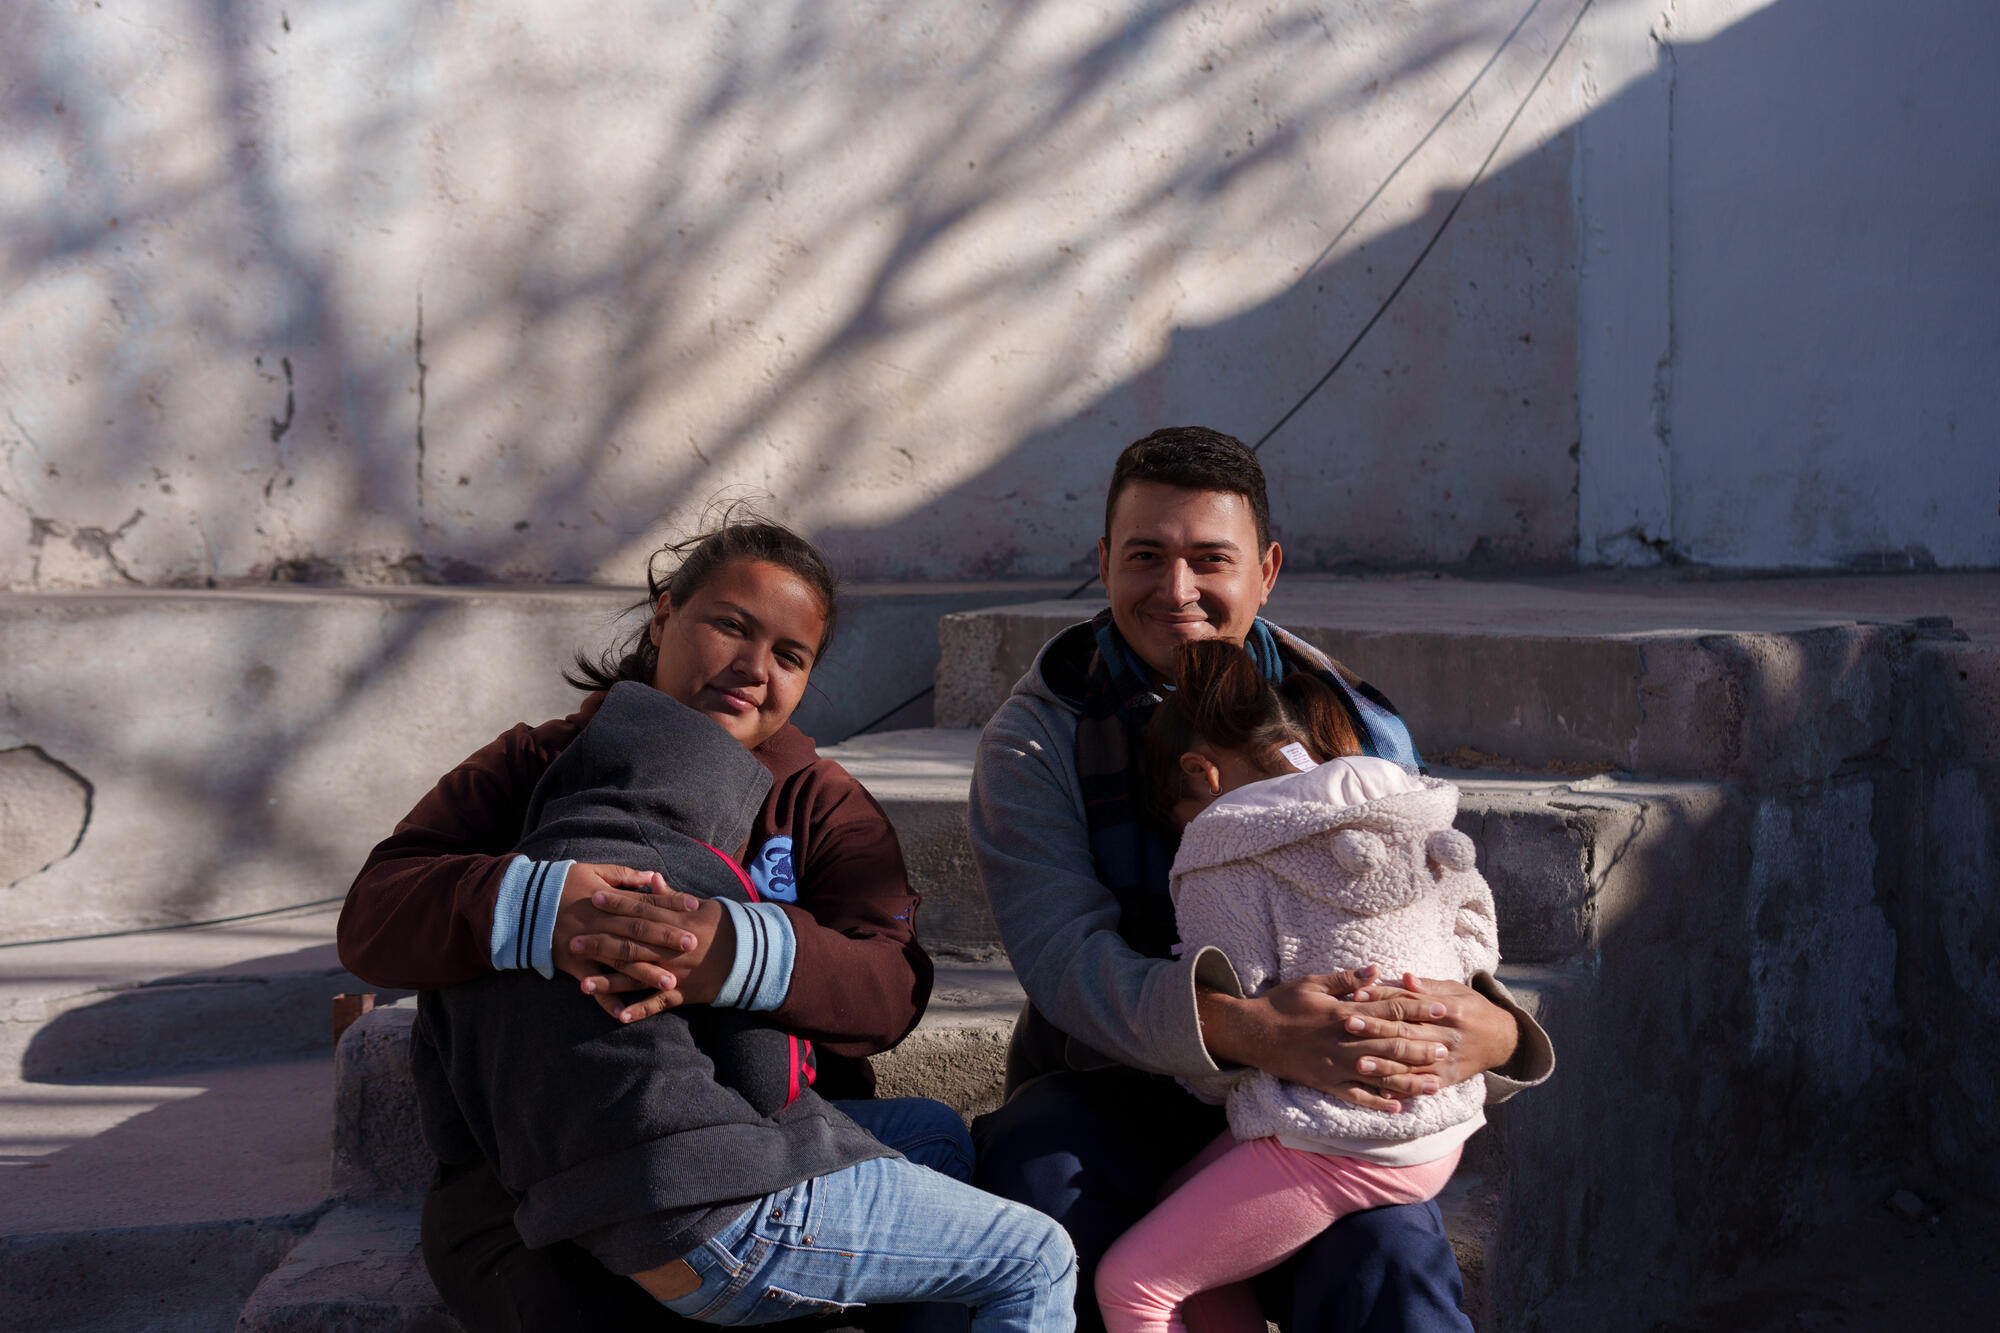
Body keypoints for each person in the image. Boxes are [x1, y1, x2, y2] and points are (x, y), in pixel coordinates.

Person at [338, 516, 1072, 1331]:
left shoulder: (820, 802)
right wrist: (534, 904)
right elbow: (375, 913)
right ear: (663, 617)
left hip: (770, 1141)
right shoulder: (542, 764)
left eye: (790, 657)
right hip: (533, 1185)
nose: (754, 669)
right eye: (730, 625)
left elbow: (891, 987)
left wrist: (736, 952)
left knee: (934, 1141)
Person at [969, 428, 1556, 1333]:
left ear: (1267, 568)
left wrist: (1490, 1025)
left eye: (1210, 559)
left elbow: (1425, 910)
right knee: (1040, 1176)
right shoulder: (1039, 735)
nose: (1176, 592)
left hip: (1329, 1091)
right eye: (1145, 557)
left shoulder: (1347, 715)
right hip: (1119, 1072)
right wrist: (1245, 1028)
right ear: (1102, 562)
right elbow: (1063, 956)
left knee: (1390, 1260)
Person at [1092, 639, 1500, 1333]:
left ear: (1201, 772)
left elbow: (1236, 1035)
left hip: (1342, 1135)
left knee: (1133, 1285)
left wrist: (1218, 1052)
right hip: (1442, 1121)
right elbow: (1476, 936)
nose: (1182, 830)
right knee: (1182, 1230)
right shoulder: (1404, 802)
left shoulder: (1226, 848)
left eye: (1176, 813)